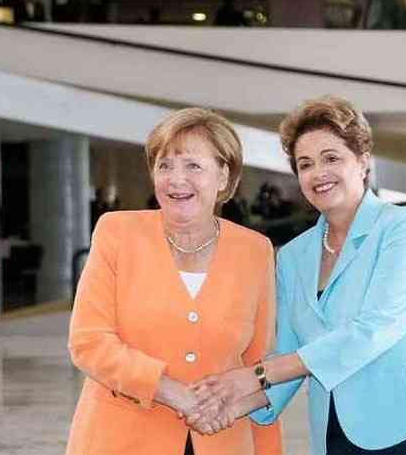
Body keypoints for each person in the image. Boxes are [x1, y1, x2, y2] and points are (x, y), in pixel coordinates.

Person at [190, 95, 406, 454]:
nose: (318, 173)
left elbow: (373, 328)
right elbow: (290, 349)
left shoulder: (402, 229)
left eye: (331, 158)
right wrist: (232, 405)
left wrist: (254, 375)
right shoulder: (293, 256)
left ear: (363, 162)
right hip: (335, 433)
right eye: (305, 164)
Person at [65, 108, 282, 454]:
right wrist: (175, 394)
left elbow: (260, 367)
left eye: (192, 166)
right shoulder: (117, 233)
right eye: (165, 165)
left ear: (223, 176)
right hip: (121, 441)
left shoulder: (255, 251)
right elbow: (88, 341)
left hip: (222, 441)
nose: (175, 179)